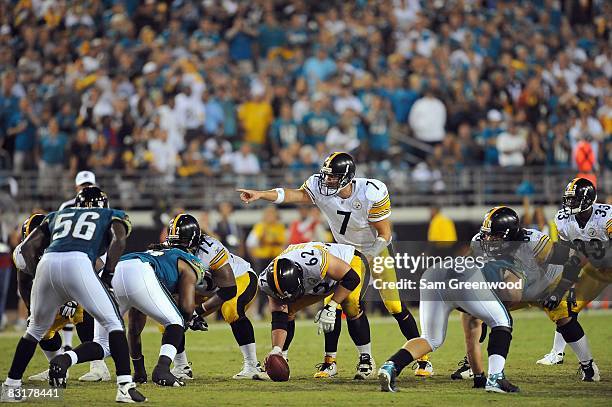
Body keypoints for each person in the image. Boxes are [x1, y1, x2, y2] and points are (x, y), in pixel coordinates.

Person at [238, 152, 431, 378]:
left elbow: (385, 234)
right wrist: (261, 194)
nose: (326, 181)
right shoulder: (320, 187)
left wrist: (366, 258)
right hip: (343, 252)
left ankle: (423, 359)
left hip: (374, 251)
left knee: (394, 306)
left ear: (347, 177)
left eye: (332, 177)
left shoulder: (371, 192)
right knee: (337, 304)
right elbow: (293, 194)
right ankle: (331, 362)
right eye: (326, 176)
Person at [1, 186, 146, 403]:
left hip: (47, 262)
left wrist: (38, 274)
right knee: (114, 322)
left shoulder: (56, 216)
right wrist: (108, 275)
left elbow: (26, 249)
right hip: (79, 261)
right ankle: (125, 386)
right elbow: (119, 240)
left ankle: (11, 386)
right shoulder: (110, 214)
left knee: (35, 329)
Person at [378, 208, 521, 394]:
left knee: (430, 338)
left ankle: (391, 366)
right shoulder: (511, 255)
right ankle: (496, 378)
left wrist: (479, 377)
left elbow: (472, 335)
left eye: (493, 236)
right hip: (465, 281)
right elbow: (513, 293)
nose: (487, 240)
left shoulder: (481, 244)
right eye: (487, 236)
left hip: (435, 274)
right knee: (503, 321)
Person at [98, 214, 204, 387]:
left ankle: (64, 361)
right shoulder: (189, 261)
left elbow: (134, 328)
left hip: (119, 267)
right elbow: (186, 308)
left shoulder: (155, 251)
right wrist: (191, 318)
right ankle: (162, 368)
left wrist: (139, 371)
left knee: (109, 339)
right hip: (141, 276)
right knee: (176, 321)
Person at [259, 242, 373, 379]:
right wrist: (275, 350)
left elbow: (352, 278)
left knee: (350, 304)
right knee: (288, 310)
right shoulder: (267, 281)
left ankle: (366, 359)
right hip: (319, 279)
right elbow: (279, 317)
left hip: (347, 262)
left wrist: (331, 305)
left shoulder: (314, 262)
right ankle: (281, 356)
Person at [182, 230, 266, 380]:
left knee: (231, 310)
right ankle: (181, 367)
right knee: (172, 316)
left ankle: (252, 365)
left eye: (182, 241)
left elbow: (228, 289)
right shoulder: (170, 251)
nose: (178, 246)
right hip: (206, 288)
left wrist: (198, 312)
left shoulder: (209, 249)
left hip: (238, 278)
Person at [11, 213, 83, 383]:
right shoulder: (23, 253)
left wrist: (73, 298)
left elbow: (83, 274)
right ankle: (57, 366)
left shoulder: (65, 246)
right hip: (52, 295)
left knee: (86, 318)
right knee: (38, 329)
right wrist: (31, 309)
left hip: (78, 290)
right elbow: (24, 284)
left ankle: (99, 367)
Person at [56, 170, 111, 383]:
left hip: (94, 265)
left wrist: (105, 271)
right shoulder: (67, 209)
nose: (86, 190)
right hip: (78, 264)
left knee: (91, 314)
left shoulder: (105, 212)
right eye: (83, 186)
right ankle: (61, 359)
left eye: (90, 186)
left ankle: (102, 367)